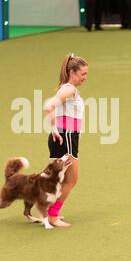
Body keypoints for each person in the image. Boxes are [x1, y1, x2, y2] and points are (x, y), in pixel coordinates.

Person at [44, 54, 88, 227]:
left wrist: (54, 128)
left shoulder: (64, 88)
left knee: (57, 179)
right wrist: (53, 124)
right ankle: (52, 215)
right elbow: (51, 105)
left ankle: (45, 209)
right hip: (68, 137)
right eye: (83, 74)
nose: (85, 78)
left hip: (63, 136)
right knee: (71, 180)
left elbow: (55, 106)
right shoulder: (69, 89)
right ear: (72, 72)